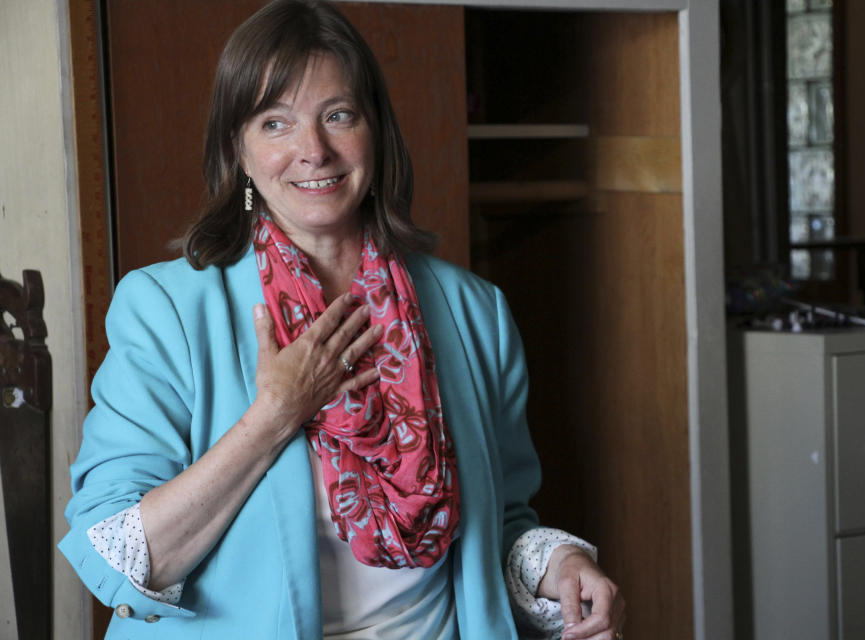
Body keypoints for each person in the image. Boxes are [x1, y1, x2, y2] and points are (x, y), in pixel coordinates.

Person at [59, 1, 625, 638]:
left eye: (338, 116)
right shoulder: (166, 311)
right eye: (275, 124)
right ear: (238, 152)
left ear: (374, 131)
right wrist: (275, 415)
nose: (314, 151)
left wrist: (562, 565)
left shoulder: (474, 313)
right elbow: (116, 558)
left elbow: (504, 524)